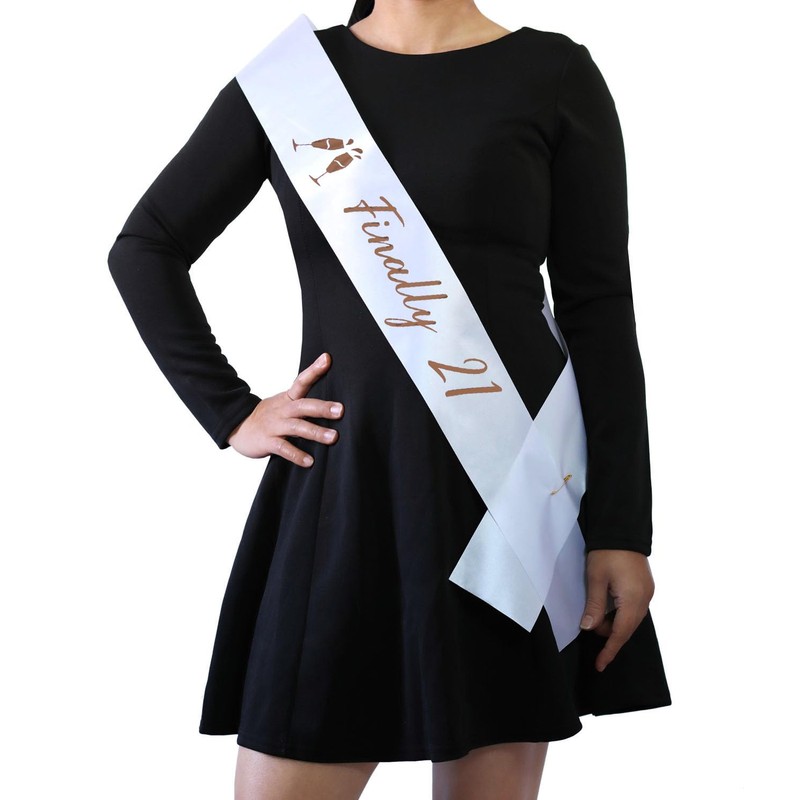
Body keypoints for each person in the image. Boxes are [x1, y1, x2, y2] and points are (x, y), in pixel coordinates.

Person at [107, 0, 671, 797]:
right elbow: (146, 247)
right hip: (345, 491)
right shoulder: (294, 83)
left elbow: (600, 310)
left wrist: (620, 528)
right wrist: (231, 412)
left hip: (509, 497)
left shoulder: (554, 73)